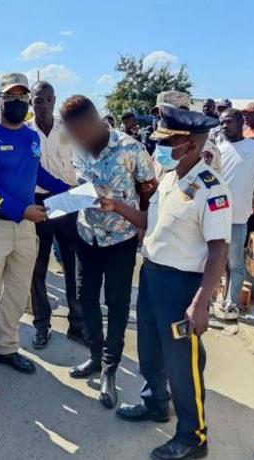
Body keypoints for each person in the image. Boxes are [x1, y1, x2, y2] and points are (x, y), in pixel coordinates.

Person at [115, 105, 230, 460]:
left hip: (182, 286)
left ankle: (193, 436)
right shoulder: (168, 175)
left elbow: (218, 250)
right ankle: (155, 403)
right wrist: (116, 207)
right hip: (152, 277)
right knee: (149, 351)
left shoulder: (212, 187)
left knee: (183, 365)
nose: (160, 146)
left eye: (169, 141)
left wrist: (201, 301)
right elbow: (148, 221)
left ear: (193, 144)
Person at [0, 73, 69, 389]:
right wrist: (20, 209)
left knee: (18, 291)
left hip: (24, 228)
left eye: (23, 98)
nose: (18, 103)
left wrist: (75, 190)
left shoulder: (30, 137)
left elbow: (39, 174)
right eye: (12, 98)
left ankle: (6, 348)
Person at [61, 95, 154, 409]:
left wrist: (142, 227)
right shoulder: (76, 148)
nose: (74, 137)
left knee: (116, 305)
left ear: (94, 121)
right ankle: (94, 357)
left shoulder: (131, 148)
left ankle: (110, 368)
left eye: (77, 131)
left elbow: (148, 190)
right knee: (86, 300)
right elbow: (77, 186)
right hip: (87, 236)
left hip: (120, 240)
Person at [27, 81, 84, 349]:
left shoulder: (68, 130)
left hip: (68, 200)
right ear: (31, 101)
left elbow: (84, 165)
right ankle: (41, 323)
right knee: (37, 266)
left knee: (72, 265)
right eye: (38, 99)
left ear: (54, 100)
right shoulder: (25, 132)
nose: (43, 104)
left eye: (48, 99)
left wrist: (82, 198)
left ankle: (77, 324)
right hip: (37, 200)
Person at [215, 109, 254, 320]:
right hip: (213, 218)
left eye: (229, 122)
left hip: (237, 218)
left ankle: (231, 305)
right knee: (212, 262)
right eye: (222, 123)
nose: (224, 126)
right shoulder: (217, 149)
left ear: (241, 122)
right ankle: (208, 302)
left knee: (235, 264)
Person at [151, 91, 222, 178]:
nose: (161, 119)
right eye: (158, 115)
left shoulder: (205, 150)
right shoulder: (162, 145)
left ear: (183, 112)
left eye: (167, 113)